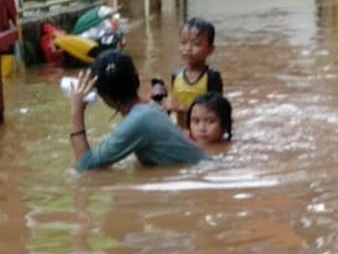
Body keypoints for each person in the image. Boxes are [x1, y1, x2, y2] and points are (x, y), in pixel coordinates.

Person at [69, 50, 208, 172]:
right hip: (203, 169)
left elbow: (84, 167)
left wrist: (76, 111)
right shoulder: (149, 108)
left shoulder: (138, 121)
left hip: (199, 172)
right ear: (136, 78)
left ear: (103, 96)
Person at [168, 17, 223, 127]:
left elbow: (215, 112)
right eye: (184, 43)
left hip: (203, 133)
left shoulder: (212, 77)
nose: (188, 48)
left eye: (196, 44)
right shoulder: (176, 75)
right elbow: (171, 106)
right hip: (182, 132)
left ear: (210, 49)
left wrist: (182, 107)